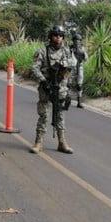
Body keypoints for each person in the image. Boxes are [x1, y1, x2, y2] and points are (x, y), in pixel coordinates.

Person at [29, 25, 77, 154]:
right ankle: (38, 143)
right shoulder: (43, 51)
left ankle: (62, 143)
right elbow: (34, 68)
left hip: (61, 88)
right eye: (56, 35)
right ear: (51, 36)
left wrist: (66, 82)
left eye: (60, 36)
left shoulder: (67, 51)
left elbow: (71, 68)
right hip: (46, 87)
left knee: (60, 115)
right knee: (43, 115)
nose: (58, 38)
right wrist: (43, 81)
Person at [70, 31, 88, 108]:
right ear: (73, 41)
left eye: (79, 40)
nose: (77, 41)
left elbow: (86, 59)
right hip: (71, 68)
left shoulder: (82, 49)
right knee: (68, 84)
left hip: (80, 67)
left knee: (79, 85)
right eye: (75, 40)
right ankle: (67, 99)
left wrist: (83, 54)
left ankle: (79, 102)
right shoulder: (69, 48)